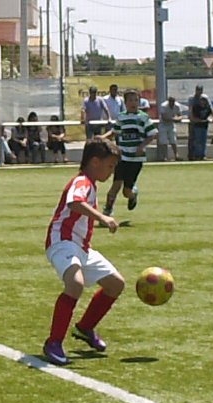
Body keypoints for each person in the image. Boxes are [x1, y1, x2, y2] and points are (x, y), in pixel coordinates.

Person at [43, 138, 123, 366]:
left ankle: (85, 327)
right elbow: (74, 203)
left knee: (115, 284)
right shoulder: (82, 181)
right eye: (110, 166)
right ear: (95, 162)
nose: (112, 171)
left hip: (81, 248)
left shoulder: (91, 184)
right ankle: (53, 342)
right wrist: (103, 217)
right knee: (75, 283)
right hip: (62, 241)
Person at [98, 89, 158, 216]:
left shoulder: (143, 117)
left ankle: (133, 194)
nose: (133, 103)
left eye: (136, 100)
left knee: (126, 191)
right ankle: (107, 210)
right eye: (130, 100)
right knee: (115, 185)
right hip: (122, 157)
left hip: (135, 159)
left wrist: (141, 146)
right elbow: (115, 132)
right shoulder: (122, 117)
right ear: (125, 103)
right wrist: (103, 137)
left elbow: (152, 134)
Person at [187, 85, 213, 161]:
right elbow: (190, 109)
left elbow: (210, 107)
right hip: (194, 121)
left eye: (200, 90)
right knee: (193, 139)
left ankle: (202, 155)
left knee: (202, 139)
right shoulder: (192, 98)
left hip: (203, 123)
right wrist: (192, 118)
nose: (199, 92)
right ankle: (192, 155)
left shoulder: (205, 97)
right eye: (198, 90)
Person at [158, 96, 183, 161]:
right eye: (170, 101)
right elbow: (164, 117)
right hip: (163, 124)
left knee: (173, 140)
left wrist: (178, 118)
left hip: (171, 124)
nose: (172, 103)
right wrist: (174, 119)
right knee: (163, 141)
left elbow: (180, 115)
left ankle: (176, 155)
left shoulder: (177, 106)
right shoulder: (163, 106)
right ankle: (164, 156)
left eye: (173, 101)